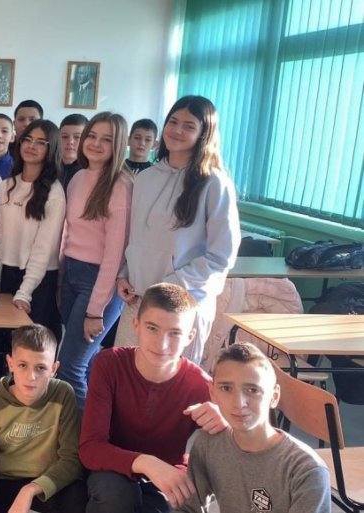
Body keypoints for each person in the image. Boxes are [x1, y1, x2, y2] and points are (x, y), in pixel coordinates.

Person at [79, 283, 228, 513]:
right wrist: (147, 463)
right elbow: (90, 448)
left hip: (167, 476)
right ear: (136, 325)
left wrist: (226, 426)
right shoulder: (109, 364)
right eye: (152, 328)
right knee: (115, 495)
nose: (162, 344)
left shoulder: (201, 384)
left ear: (190, 337)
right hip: (112, 470)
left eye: (175, 333)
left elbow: (242, 451)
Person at [115, 95, 240, 364]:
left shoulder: (214, 183)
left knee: (172, 384)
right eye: (173, 122)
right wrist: (124, 274)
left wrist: (170, 286)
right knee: (127, 376)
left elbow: (221, 256)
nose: (177, 130)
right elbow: (135, 238)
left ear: (204, 134)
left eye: (189, 125)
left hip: (182, 306)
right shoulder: (145, 177)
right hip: (138, 300)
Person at [176, 343, 331, 513]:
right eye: (226, 388)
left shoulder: (306, 470)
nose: (239, 403)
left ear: (274, 396)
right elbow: (188, 509)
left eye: (252, 390)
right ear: (212, 393)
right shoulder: (208, 444)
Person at [57, 112, 133, 408]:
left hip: (99, 282)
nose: (96, 144)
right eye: (92, 136)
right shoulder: (78, 177)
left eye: (107, 140)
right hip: (71, 273)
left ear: (119, 146)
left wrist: (95, 311)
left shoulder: (119, 185)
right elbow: (69, 234)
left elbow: (114, 256)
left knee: (69, 367)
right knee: (86, 365)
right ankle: (97, 427)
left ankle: (78, 436)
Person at [0, 324, 87, 513]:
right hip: (4, 481)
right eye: (22, 365)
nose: (31, 377)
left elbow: (71, 459)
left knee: (79, 497)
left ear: (54, 369)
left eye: (41, 368)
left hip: (48, 481)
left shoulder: (63, 394)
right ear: (10, 363)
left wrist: (30, 490)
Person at [0, 120, 65, 344]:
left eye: (41, 142)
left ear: (51, 148)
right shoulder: (7, 185)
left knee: (30, 346)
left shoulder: (54, 192)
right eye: (28, 139)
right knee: (0, 343)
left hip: (38, 280)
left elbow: (44, 248)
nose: (31, 146)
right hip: (5, 274)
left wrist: (25, 292)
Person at [57, 114, 89, 192]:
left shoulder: (90, 171)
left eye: (77, 137)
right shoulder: (48, 167)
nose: (70, 142)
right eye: (65, 137)